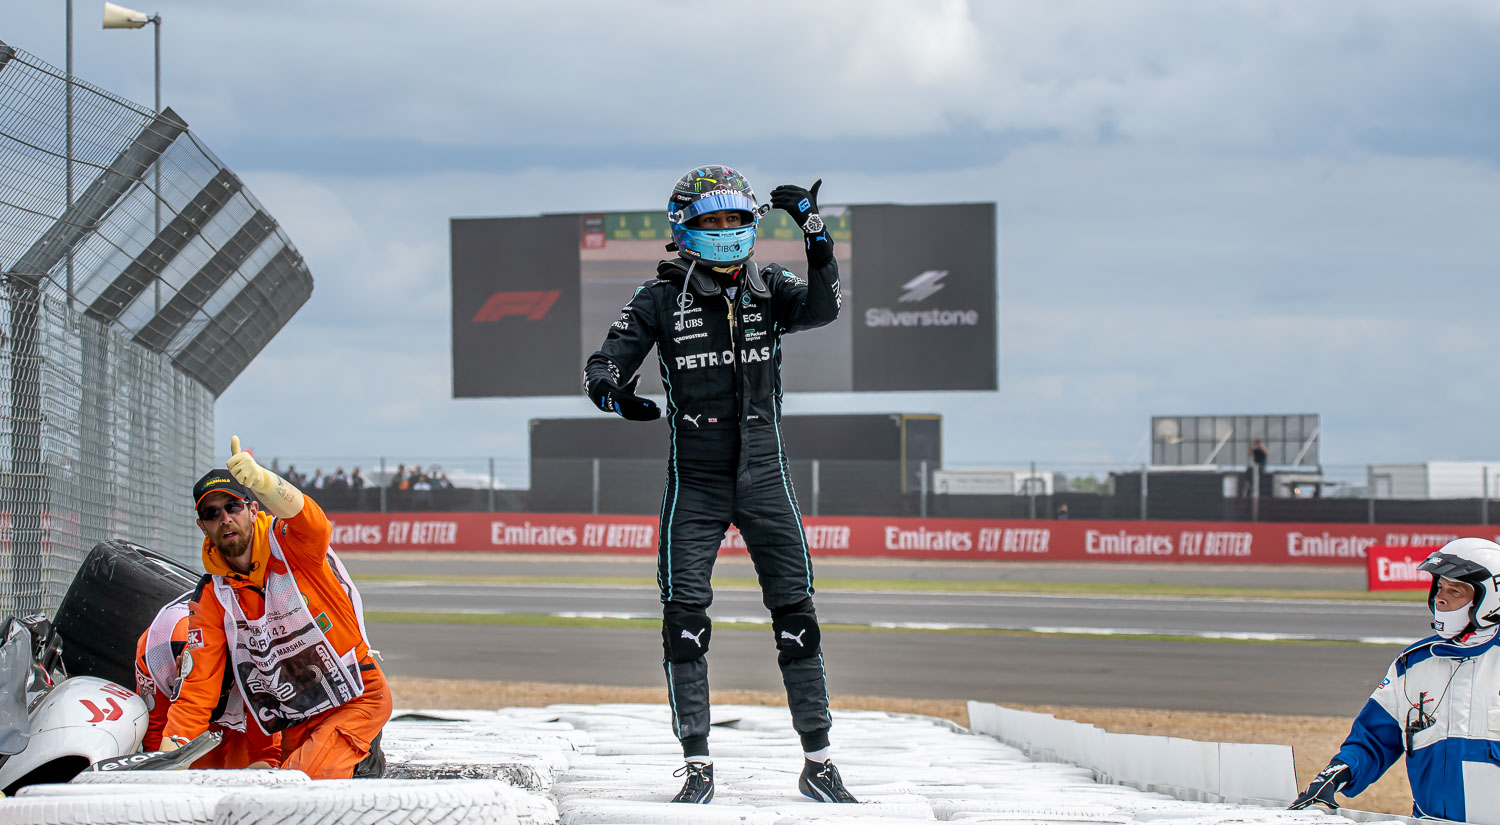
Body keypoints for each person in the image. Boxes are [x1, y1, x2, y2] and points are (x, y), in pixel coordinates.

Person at [583, 166, 854, 804]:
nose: (727, 231)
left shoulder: (768, 286)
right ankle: (697, 766)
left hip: (767, 475)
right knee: (684, 622)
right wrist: (616, 397)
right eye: (713, 221)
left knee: (797, 616)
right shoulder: (657, 298)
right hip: (696, 482)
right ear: (684, 228)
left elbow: (823, 308)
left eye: (736, 219)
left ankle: (819, 761)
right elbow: (603, 366)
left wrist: (815, 234)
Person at [161, 438, 391, 779]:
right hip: (297, 715)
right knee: (271, 785)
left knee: (292, 785)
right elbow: (197, 688)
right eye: (212, 513)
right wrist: (165, 763)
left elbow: (314, 522)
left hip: (356, 696)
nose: (224, 519)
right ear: (203, 526)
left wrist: (266, 483)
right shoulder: (212, 596)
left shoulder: (290, 544)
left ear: (253, 510)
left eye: (233, 506)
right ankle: (360, 766)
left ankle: (358, 757)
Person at [1290, 538, 1500, 821]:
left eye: (1456, 591)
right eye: (1440, 587)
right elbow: (1373, 740)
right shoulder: (1411, 665)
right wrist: (1336, 774)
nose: (1441, 597)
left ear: (1490, 598)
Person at [135, 592, 280, 768]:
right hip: (178, 684)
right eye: (205, 692)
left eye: (219, 691)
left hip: (245, 690)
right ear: (179, 666)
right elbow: (155, 739)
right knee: (173, 758)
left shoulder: (256, 670)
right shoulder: (154, 655)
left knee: (246, 764)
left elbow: (266, 752)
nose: (211, 703)